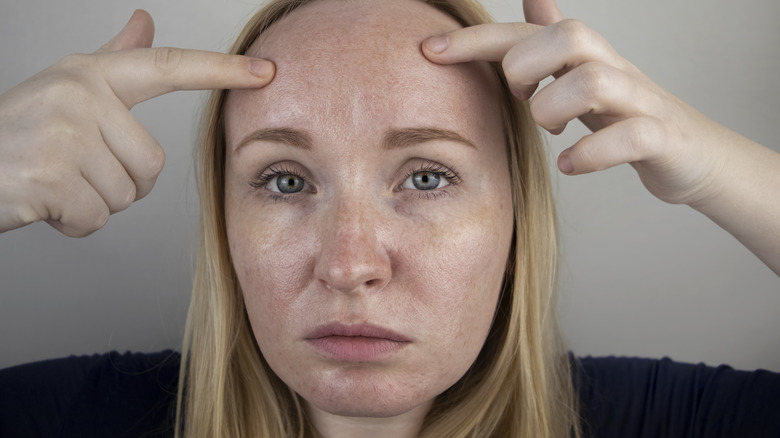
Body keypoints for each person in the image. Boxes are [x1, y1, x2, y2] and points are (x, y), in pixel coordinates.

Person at [1, 0, 779, 437]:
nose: (349, 265)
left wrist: (715, 166)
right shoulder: (71, 420)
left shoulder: (660, 426)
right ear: (224, 220)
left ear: (516, 217)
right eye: (283, 179)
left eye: (428, 175)